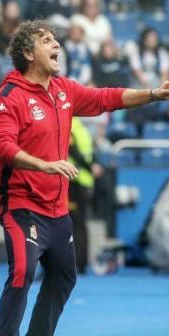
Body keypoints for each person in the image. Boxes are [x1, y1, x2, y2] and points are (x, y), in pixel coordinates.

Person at [0, 19, 169, 336]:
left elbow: (107, 98)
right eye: (47, 41)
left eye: (56, 38)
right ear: (28, 53)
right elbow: (2, 147)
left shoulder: (62, 90)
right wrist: (45, 164)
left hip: (56, 208)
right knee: (23, 272)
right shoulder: (8, 98)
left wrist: (152, 93)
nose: (57, 44)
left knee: (64, 276)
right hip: (20, 204)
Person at [68, 118, 103, 275]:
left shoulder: (69, 123)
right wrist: (93, 167)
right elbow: (90, 152)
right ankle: (80, 263)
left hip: (73, 180)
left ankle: (76, 262)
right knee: (80, 223)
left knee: (73, 223)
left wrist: (90, 167)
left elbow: (73, 151)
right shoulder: (84, 127)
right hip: (83, 181)